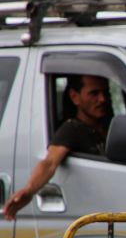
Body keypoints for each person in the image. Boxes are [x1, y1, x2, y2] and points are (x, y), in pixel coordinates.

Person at [3, 75, 111, 220]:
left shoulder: (109, 126)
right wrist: (29, 190)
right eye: (94, 94)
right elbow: (49, 163)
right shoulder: (71, 129)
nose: (102, 99)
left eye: (106, 93)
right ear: (74, 96)